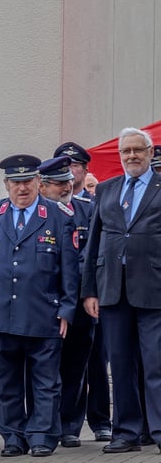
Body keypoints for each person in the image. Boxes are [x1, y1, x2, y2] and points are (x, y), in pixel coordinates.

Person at [0, 154, 79, 457]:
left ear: (38, 183)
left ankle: (42, 435)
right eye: (16, 182)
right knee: (6, 383)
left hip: (44, 313)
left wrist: (67, 309)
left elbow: (69, 269)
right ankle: (13, 436)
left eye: (28, 181)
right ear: (6, 184)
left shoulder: (58, 217)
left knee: (46, 382)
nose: (22, 188)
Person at [82, 127, 161, 454]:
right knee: (121, 363)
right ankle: (126, 433)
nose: (132, 156)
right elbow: (93, 242)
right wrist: (89, 291)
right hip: (112, 290)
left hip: (154, 289)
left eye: (137, 150)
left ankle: (157, 430)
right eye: (126, 151)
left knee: (156, 364)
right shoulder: (107, 189)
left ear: (150, 153)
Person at [37, 156, 96, 448]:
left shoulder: (87, 209)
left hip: (80, 302)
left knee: (75, 366)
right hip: (45, 302)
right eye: (58, 184)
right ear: (42, 186)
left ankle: (70, 426)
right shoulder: (36, 213)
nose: (65, 188)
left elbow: (92, 252)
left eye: (68, 183)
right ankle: (43, 424)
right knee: (43, 370)